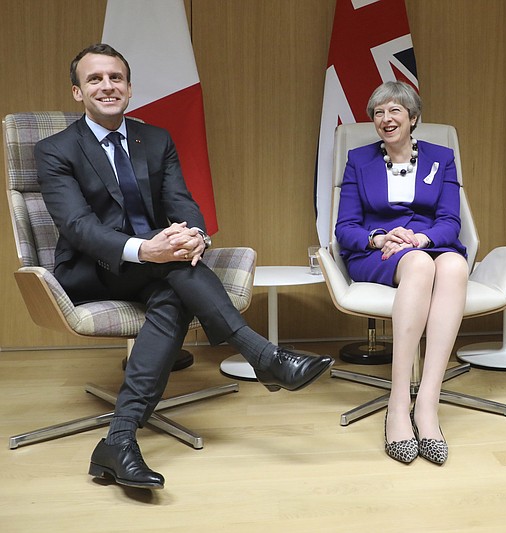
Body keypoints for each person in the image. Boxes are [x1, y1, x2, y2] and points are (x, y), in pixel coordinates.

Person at [34, 43, 333, 489]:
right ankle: (262, 356)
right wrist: (146, 249)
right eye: (94, 79)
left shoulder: (155, 139)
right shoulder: (55, 149)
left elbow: (182, 203)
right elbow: (79, 227)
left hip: (161, 266)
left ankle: (119, 439)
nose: (107, 86)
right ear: (77, 92)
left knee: (174, 289)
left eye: (115, 78)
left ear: (130, 88)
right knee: (175, 271)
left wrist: (195, 234)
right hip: (93, 268)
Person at [335, 81, 468, 464]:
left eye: (395, 110)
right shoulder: (360, 161)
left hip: (428, 244)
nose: (385, 118)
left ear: (413, 118)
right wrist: (379, 238)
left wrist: (420, 239)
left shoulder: (440, 158)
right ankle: (397, 404)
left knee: (455, 265)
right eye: (378, 112)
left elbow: (449, 221)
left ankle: (427, 403)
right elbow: (345, 227)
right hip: (377, 252)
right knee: (420, 265)